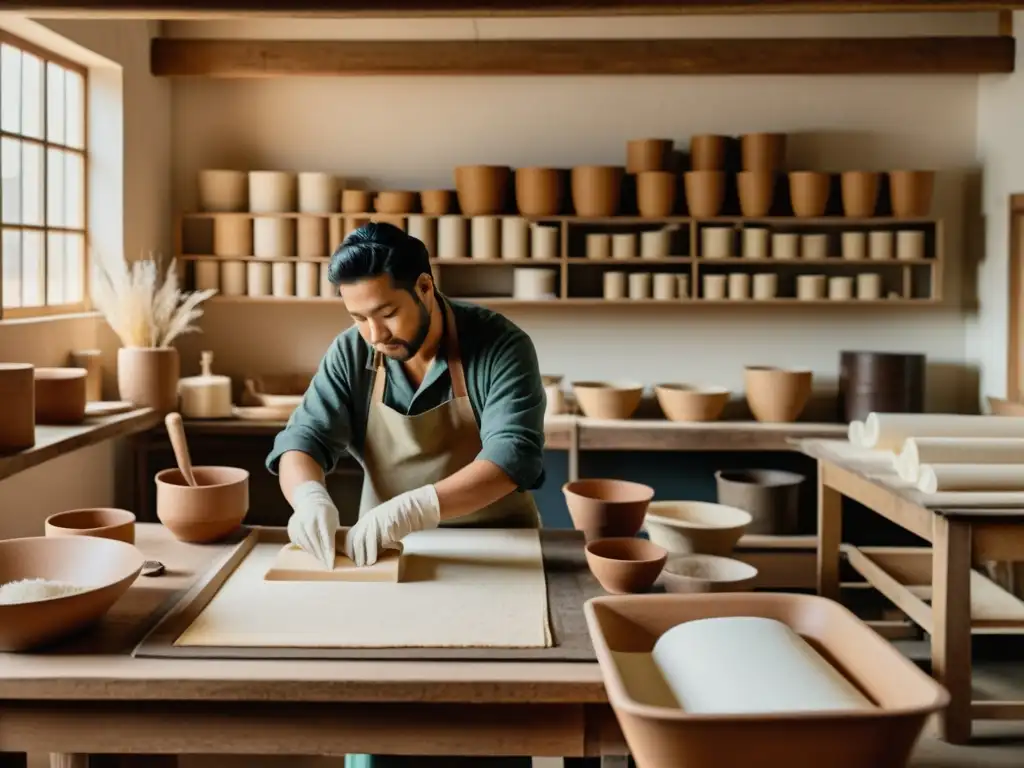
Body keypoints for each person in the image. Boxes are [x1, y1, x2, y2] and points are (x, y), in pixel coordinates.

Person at [265, 221, 546, 768]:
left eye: (386, 312)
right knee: (380, 720)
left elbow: (514, 455)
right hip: (387, 555)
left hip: (496, 556)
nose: (374, 333)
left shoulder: (499, 344)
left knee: (489, 725)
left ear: (424, 286)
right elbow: (302, 439)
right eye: (358, 317)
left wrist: (418, 505)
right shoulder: (354, 353)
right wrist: (309, 498)